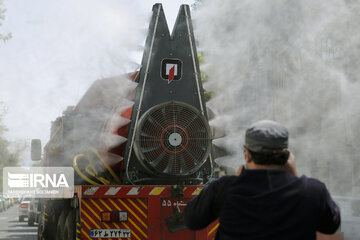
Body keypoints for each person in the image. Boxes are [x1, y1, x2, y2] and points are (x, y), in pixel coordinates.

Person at [184, 120, 340, 240]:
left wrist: (235, 182)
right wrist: (295, 177)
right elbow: (330, 226)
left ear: (247, 154)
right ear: (287, 156)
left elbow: (192, 220)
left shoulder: (224, 189)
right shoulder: (313, 191)